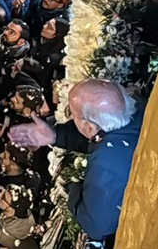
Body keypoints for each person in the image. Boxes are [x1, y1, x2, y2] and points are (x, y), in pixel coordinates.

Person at [9, 79, 144, 241]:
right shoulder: (137, 108)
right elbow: (100, 135)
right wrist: (55, 135)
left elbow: (96, 226)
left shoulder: (104, 164)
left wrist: (73, 188)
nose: (72, 119)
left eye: (74, 116)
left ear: (89, 127)